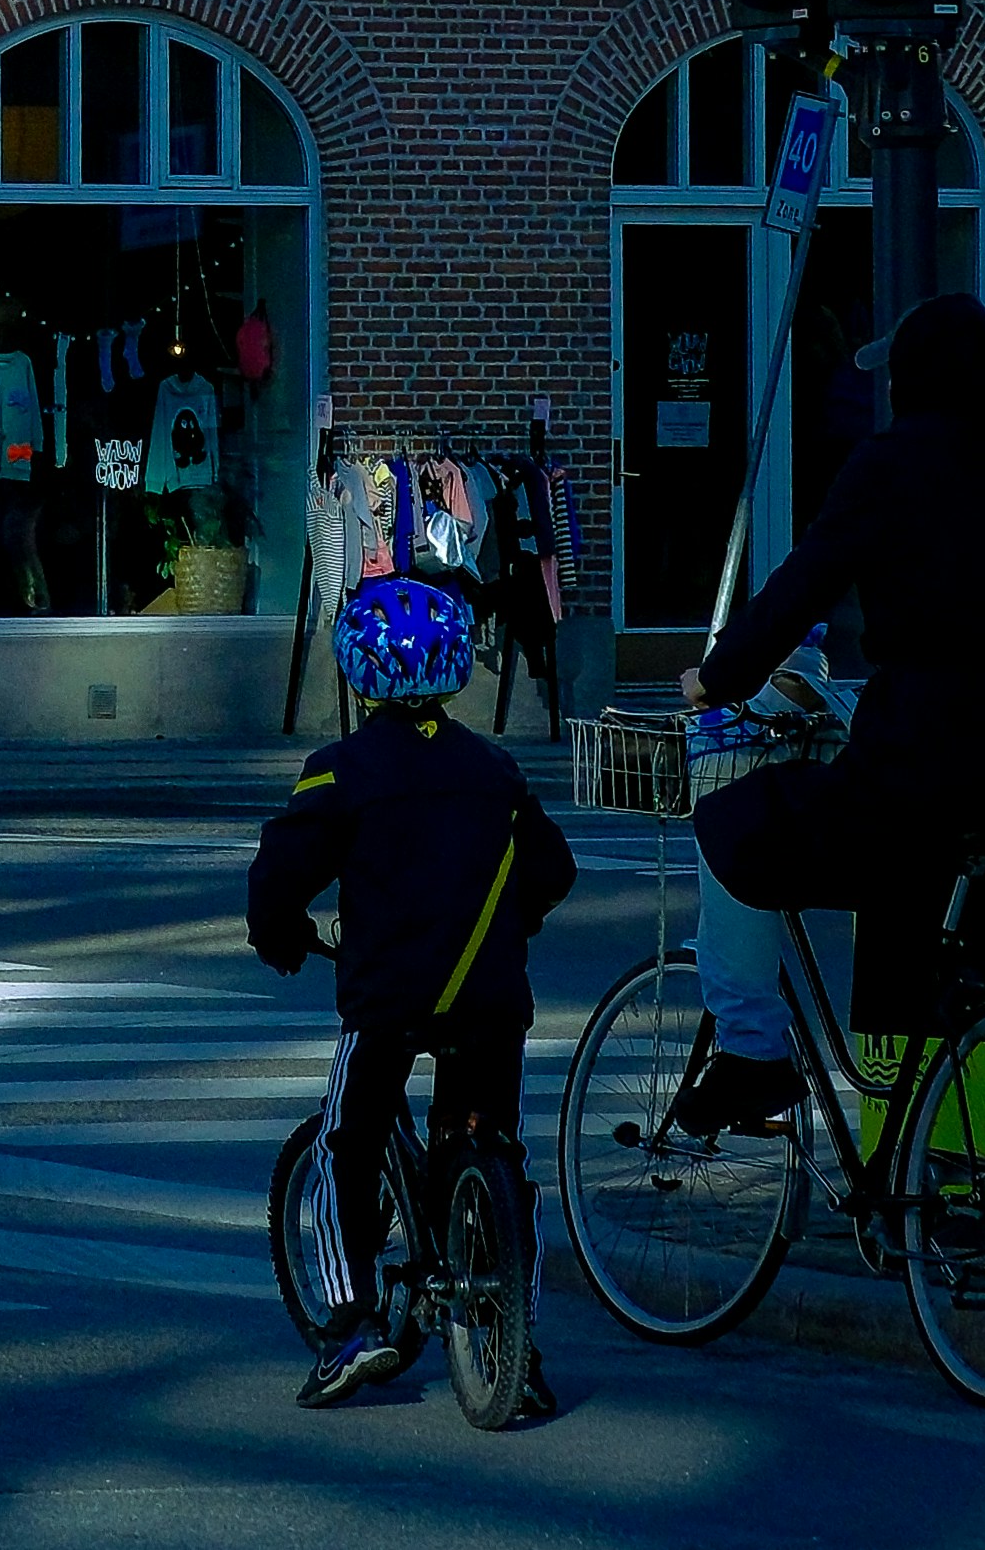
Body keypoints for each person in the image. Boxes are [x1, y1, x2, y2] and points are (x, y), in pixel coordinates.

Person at [682, 292, 985, 1302]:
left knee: (732, 820)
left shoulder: (888, 465)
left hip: (921, 755)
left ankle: (750, 1052)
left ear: (906, 380)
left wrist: (717, 677)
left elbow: (802, 584)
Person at [249, 567, 575, 1416]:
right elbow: (552, 868)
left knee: (342, 1147)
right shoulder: (495, 769)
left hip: (387, 1000)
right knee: (494, 1148)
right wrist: (515, 923)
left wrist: (279, 936)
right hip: (490, 998)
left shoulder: (340, 771)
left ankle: (353, 1324)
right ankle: (518, 1346)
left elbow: (280, 875)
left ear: (357, 671)